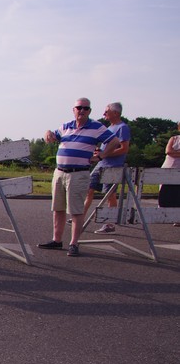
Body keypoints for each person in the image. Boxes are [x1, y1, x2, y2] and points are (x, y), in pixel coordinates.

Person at [40, 97, 120, 257]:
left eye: (85, 108)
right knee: (58, 208)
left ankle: (74, 243)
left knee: (76, 210)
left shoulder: (96, 127)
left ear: (89, 111)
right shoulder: (66, 126)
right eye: (79, 108)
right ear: (74, 110)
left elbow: (114, 141)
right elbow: (52, 136)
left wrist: (102, 155)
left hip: (78, 173)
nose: (82, 111)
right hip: (60, 172)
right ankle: (57, 240)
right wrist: (47, 132)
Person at [83, 102, 131, 233]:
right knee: (88, 189)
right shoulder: (109, 128)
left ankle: (110, 224)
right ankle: (80, 217)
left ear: (115, 113)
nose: (104, 114)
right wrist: (100, 152)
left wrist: (104, 154)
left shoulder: (122, 128)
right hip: (101, 164)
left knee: (110, 194)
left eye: (106, 111)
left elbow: (124, 149)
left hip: (113, 166)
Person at [158, 122, 180, 211]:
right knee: (165, 193)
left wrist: (176, 153)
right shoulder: (174, 139)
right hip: (169, 167)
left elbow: (172, 152)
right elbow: (168, 151)